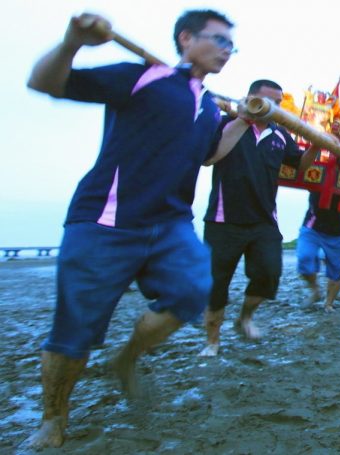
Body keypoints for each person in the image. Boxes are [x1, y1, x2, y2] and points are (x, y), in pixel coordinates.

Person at [22, 10, 234, 448]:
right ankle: (53, 419)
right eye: (219, 40)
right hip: (106, 221)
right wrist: (72, 42)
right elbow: (44, 83)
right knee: (75, 329)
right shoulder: (143, 76)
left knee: (193, 290)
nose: (227, 51)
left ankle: (127, 357)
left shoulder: (209, 105)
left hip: (171, 224)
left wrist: (249, 120)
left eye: (232, 45)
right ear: (186, 38)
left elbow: (210, 155)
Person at [198, 79, 317, 357]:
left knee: (269, 274)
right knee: (216, 284)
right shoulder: (227, 124)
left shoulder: (280, 134)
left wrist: (315, 145)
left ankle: (245, 317)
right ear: (251, 97)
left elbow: (299, 165)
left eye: (278, 102)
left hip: (264, 220)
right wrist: (242, 118)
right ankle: (212, 341)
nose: (274, 107)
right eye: (269, 100)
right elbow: (207, 157)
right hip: (223, 219)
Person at [297, 187, 340, 312]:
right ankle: (315, 291)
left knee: (339, 271)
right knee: (304, 258)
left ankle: (328, 303)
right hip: (313, 226)